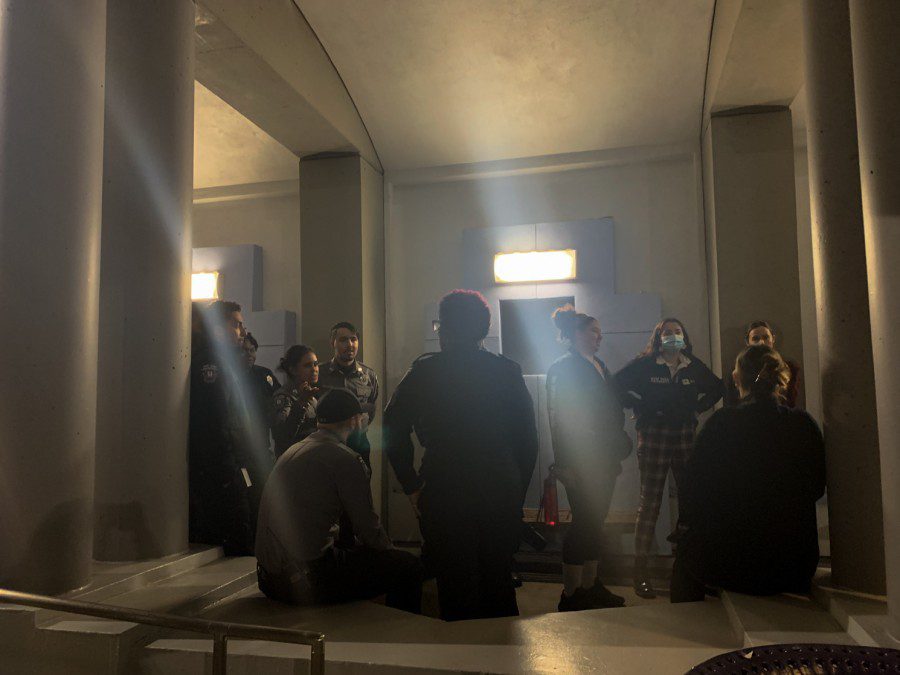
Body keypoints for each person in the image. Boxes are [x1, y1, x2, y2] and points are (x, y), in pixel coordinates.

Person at [384, 289, 539, 621]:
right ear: (483, 329)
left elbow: (391, 430)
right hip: (499, 487)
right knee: (498, 580)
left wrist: (411, 485)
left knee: (456, 585)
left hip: (444, 487)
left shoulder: (424, 372)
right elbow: (528, 441)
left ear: (446, 328)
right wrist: (516, 492)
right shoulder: (507, 371)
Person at [671, 345, 825, 602]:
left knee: (685, 555)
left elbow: (692, 487)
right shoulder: (803, 425)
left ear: (736, 378)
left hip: (730, 564)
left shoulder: (721, 424)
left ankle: (688, 626)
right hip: (793, 565)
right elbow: (817, 487)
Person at [255, 388, 423, 613]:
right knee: (408, 567)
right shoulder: (344, 459)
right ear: (355, 421)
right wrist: (392, 554)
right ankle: (399, 631)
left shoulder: (297, 448)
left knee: (351, 551)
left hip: (268, 578)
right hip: (303, 582)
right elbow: (369, 529)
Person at [615, 317, 723, 598]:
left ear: (684, 338)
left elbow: (717, 388)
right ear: (658, 337)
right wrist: (640, 406)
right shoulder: (646, 364)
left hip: (685, 436)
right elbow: (615, 385)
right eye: (667, 332)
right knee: (649, 503)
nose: (672, 336)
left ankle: (690, 571)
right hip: (653, 437)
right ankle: (641, 573)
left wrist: (696, 410)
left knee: (690, 502)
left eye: (677, 332)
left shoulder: (692, 365)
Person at [547, 305, 631, 611]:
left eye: (599, 331)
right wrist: (565, 463)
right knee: (583, 522)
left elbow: (610, 411)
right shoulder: (563, 368)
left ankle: (591, 584)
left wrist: (619, 445)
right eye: (593, 331)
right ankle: (570, 594)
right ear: (576, 334)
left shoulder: (598, 364)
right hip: (579, 461)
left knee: (595, 522)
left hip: (604, 460)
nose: (599, 337)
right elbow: (558, 419)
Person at [189, 300, 255, 556]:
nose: (242, 331)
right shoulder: (210, 361)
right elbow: (214, 419)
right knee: (236, 531)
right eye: (236, 324)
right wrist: (228, 467)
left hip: (231, 460)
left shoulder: (224, 360)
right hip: (220, 466)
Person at [317, 322, 379, 470]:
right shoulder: (320, 373)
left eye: (353, 339)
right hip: (327, 445)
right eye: (343, 340)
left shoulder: (369, 375)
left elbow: (371, 408)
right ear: (333, 343)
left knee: (360, 488)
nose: (350, 344)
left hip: (359, 444)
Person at [738, 320, 802, 408]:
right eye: (755, 338)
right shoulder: (741, 370)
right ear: (747, 342)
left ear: (773, 339)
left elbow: (791, 400)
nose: (761, 342)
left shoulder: (790, 367)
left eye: (766, 337)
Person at [271, 344, 320, 458]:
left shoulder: (310, 393)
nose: (314, 369)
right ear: (293, 370)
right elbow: (282, 436)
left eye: (316, 364)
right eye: (308, 365)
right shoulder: (283, 397)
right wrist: (302, 403)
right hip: (293, 463)